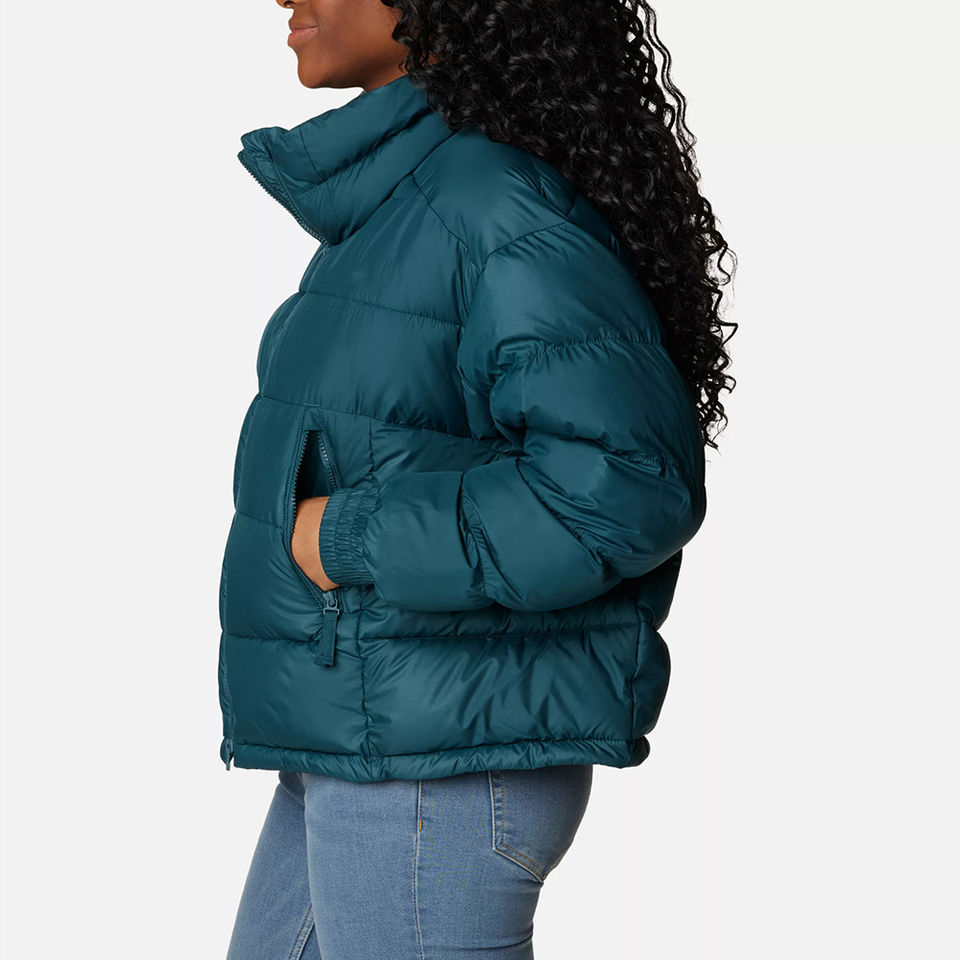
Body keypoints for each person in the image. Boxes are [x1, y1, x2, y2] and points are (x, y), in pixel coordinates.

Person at [221, 1, 735, 958]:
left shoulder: (492, 202)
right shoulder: (409, 200)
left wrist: (350, 536)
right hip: (367, 731)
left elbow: (625, 486)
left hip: (438, 759)